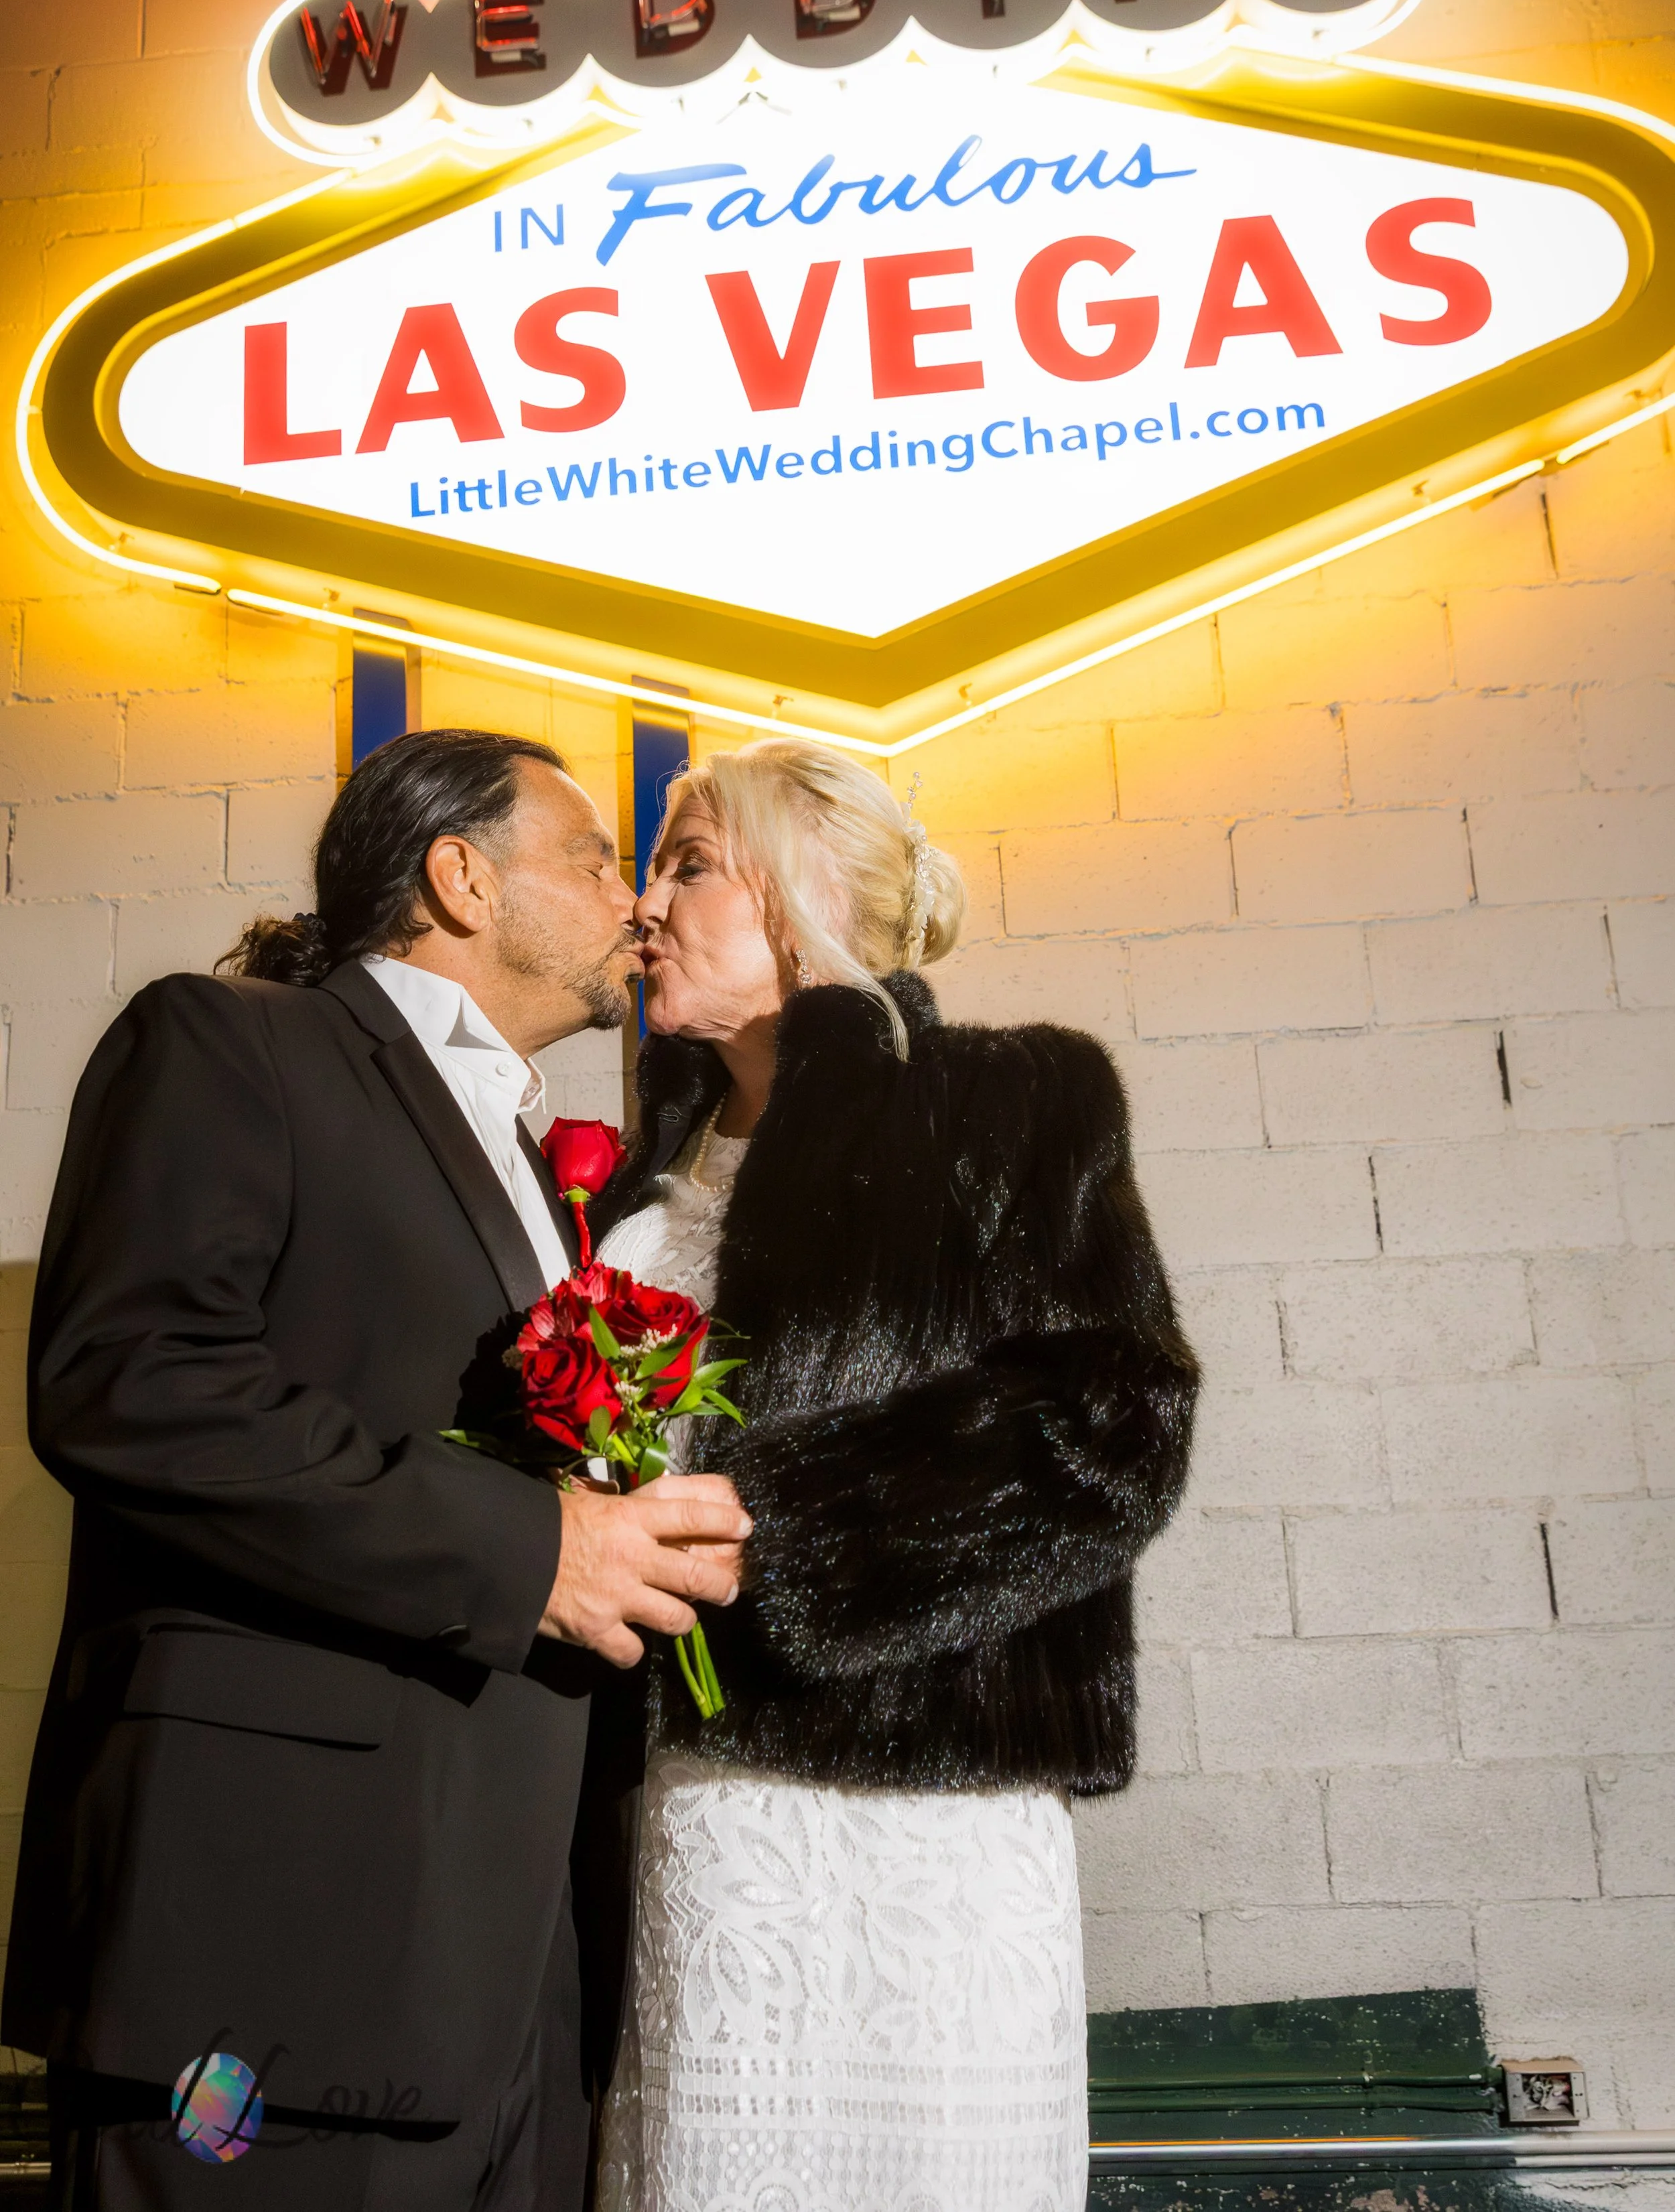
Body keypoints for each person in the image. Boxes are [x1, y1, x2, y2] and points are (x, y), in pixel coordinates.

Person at [3, 728, 751, 2212]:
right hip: (274, 1945)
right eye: (597, 858)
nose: (632, 900)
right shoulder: (229, 1043)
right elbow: (130, 1382)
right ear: (461, 878)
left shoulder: (546, 1161)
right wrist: (536, 1551)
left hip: (516, 1971)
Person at [585, 739, 1200, 2212]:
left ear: (796, 905)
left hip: (925, 1823)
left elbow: (1116, 1423)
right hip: (698, 1816)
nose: (643, 907)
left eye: (686, 864)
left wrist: (791, 1527)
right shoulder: (625, 1181)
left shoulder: (1010, 1100)